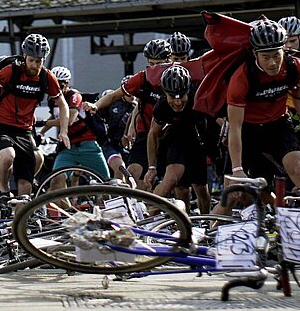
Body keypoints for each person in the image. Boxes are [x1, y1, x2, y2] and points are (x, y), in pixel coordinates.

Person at [226, 18, 300, 217]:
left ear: (283, 50)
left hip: (278, 123)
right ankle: (207, 230)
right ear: (255, 54)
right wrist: (237, 168)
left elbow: (298, 89)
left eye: (277, 55)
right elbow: (235, 127)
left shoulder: (294, 65)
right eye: (266, 57)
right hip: (248, 129)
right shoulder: (242, 77)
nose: (272, 63)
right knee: (235, 192)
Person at [0, 34, 70, 199]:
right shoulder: (11, 71)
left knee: (28, 181)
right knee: (8, 156)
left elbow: (63, 104)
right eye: (31, 60)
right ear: (24, 56)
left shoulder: (46, 77)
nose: (34, 65)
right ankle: (3, 191)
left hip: (24, 129)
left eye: (38, 61)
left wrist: (64, 131)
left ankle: (22, 209)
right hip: (2, 124)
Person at [85, 39, 172, 190]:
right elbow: (114, 95)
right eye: (151, 64)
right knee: (133, 174)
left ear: (168, 62)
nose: (154, 68)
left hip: (170, 132)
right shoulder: (142, 78)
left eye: (158, 64)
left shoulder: (177, 77)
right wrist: (96, 105)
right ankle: (138, 204)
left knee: (174, 183)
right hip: (146, 133)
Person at [144, 65, 211, 213]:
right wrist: (152, 167)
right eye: (172, 97)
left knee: (201, 189)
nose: (178, 102)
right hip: (175, 138)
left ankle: (206, 221)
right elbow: (153, 134)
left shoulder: (198, 97)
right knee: (175, 184)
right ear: (165, 94)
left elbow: (218, 119)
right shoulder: (161, 106)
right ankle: (147, 215)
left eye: (182, 96)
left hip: (197, 139)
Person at [39, 65, 109, 190]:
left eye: (63, 83)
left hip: (88, 145)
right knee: (56, 179)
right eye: (56, 83)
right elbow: (54, 116)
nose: (59, 86)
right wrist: (41, 132)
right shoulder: (52, 99)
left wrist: (46, 123)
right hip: (68, 147)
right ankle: (66, 203)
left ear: (68, 83)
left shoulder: (74, 96)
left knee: (106, 182)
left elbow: (69, 120)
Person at [96, 84, 135, 182]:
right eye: (129, 93)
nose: (132, 96)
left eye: (135, 93)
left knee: (132, 176)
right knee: (120, 168)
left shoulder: (137, 106)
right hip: (110, 145)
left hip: (129, 147)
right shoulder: (113, 103)